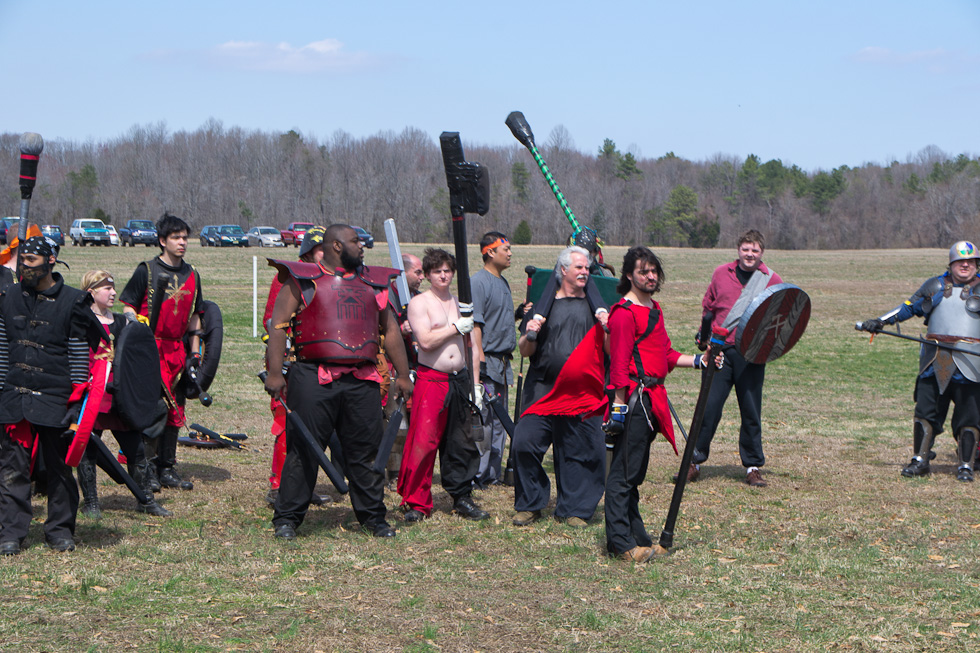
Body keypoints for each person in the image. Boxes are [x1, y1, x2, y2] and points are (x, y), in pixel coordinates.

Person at [264, 224, 413, 540]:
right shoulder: (302, 279)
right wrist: (275, 372)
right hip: (312, 377)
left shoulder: (373, 283)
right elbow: (278, 326)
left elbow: (390, 331)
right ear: (335, 246)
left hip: (362, 379)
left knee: (365, 451)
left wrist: (402, 374)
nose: (362, 247)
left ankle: (373, 517)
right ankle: (287, 518)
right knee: (304, 449)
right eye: (355, 241)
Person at [603, 246, 720, 562]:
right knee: (623, 476)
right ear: (629, 275)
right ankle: (621, 545)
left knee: (634, 474)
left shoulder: (654, 309)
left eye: (654, 271)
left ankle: (636, 538)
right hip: (634, 400)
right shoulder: (624, 313)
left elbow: (665, 354)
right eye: (643, 271)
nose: (651, 276)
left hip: (652, 399)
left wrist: (700, 360)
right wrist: (618, 409)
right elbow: (619, 365)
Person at [0, 236, 98, 554]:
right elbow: (3, 347)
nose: (24, 266)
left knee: (59, 467)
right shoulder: (9, 296)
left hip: (57, 396)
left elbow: (79, 353)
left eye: (31, 261)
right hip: (15, 394)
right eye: (22, 260)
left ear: (50, 261)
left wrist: (77, 401)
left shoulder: (72, 301)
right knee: (12, 467)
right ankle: (11, 531)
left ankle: (59, 529)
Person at [859, 240, 980, 481]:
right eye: (960, 261)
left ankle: (966, 465)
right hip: (934, 360)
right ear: (951, 264)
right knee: (926, 411)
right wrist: (881, 321)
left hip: (971, 363)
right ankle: (920, 460)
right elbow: (908, 307)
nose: (965, 265)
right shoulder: (935, 286)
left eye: (970, 261)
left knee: (970, 415)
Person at [511, 246, 608, 528]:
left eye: (587, 268)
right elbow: (525, 350)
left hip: (582, 393)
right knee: (524, 443)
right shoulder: (542, 308)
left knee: (583, 450)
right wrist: (530, 333)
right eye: (579, 267)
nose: (585, 272)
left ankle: (576, 509)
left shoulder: (596, 309)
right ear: (563, 270)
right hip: (543, 390)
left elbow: (609, 349)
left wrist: (609, 326)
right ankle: (530, 504)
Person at [397, 248, 489, 523]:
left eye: (447, 271)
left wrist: (475, 386)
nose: (443, 276)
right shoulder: (420, 303)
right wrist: (455, 327)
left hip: (459, 380)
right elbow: (425, 341)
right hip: (432, 379)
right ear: (427, 275)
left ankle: (462, 496)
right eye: (437, 271)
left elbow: (472, 348)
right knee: (424, 441)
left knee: (461, 441)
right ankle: (417, 502)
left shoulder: (461, 304)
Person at [689, 229, 783, 488]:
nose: (749, 254)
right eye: (745, 249)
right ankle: (693, 462)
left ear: (761, 252)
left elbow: (780, 317)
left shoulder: (771, 279)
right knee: (708, 407)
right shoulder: (721, 273)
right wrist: (704, 336)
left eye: (755, 250)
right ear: (738, 250)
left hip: (751, 354)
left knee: (751, 410)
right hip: (719, 351)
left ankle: (753, 467)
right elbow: (708, 307)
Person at [75, 270, 171, 518]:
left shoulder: (122, 322)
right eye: (107, 288)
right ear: (91, 292)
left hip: (120, 395)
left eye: (113, 287)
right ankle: (91, 503)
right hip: (94, 395)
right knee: (88, 449)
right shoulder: (81, 321)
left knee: (135, 448)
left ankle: (145, 499)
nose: (114, 293)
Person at [119, 213, 203, 492]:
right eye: (176, 237)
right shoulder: (146, 270)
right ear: (162, 241)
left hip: (177, 350)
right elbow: (128, 306)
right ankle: (146, 469)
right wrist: (137, 328)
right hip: (150, 350)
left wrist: (195, 354)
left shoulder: (192, 275)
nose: (182, 242)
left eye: (185, 237)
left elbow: (196, 317)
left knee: (175, 409)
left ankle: (167, 467)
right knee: (152, 408)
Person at [262, 226, 330, 508]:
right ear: (309, 253)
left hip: (318, 365)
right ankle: (279, 487)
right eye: (321, 249)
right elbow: (272, 323)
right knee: (286, 425)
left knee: (313, 425)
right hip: (291, 363)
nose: (326, 254)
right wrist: (280, 365)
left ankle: (303, 486)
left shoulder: (331, 279)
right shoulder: (290, 278)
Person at [470, 232, 530, 488]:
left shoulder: (502, 282)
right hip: (487, 362)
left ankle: (492, 473)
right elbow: (476, 325)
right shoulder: (478, 283)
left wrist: (518, 314)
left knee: (499, 420)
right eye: (506, 249)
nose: (510, 253)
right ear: (490, 252)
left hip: (503, 364)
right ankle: (477, 474)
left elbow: (497, 319)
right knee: (483, 419)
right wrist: (480, 362)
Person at [383, 252, 424, 490]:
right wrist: (400, 329)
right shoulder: (386, 296)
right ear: (403, 272)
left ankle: (412, 468)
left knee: (416, 421)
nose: (422, 277)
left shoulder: (418, 298)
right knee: (396, 422)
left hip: (417, 365)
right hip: (392, 366)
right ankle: (394, 473)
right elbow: (378, 330)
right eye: (417, 272)